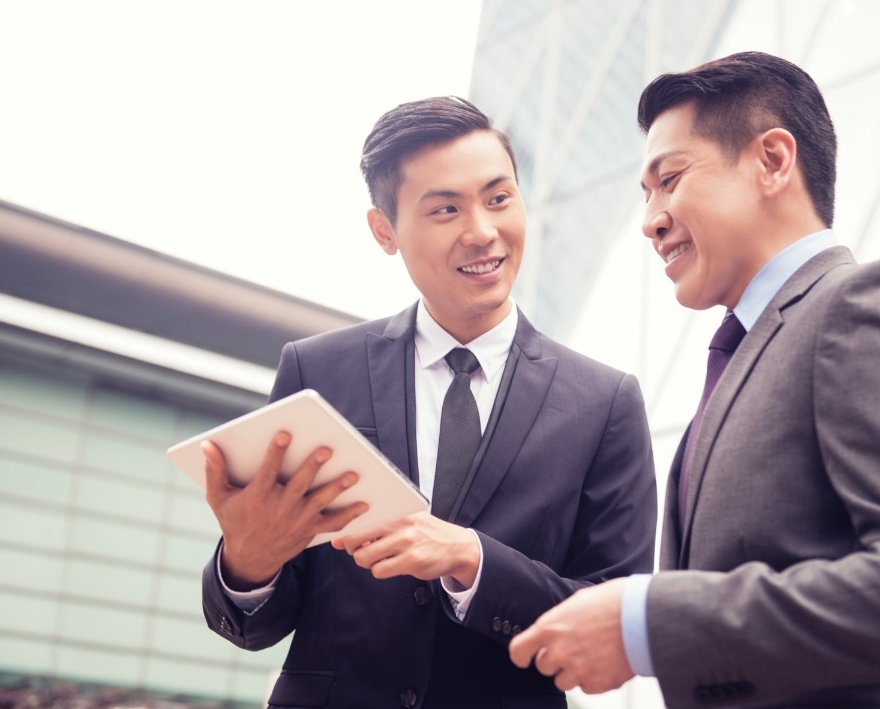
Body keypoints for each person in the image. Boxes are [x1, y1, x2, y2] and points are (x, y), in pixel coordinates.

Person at [510, 51, 880, 708]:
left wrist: (648, 623)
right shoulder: (745, 356)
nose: (650, 219)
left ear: (773, 161)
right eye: (645, 193)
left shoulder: (867, 305)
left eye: (669, 179)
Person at [199, 95, 658, 709]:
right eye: (445, 209)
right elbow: (255, 624)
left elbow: (618, 621)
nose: (483, 232)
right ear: (384, 231)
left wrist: (473, 561)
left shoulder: (605, 403)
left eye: (499, 198)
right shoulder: (316, 372)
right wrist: (248, 564)